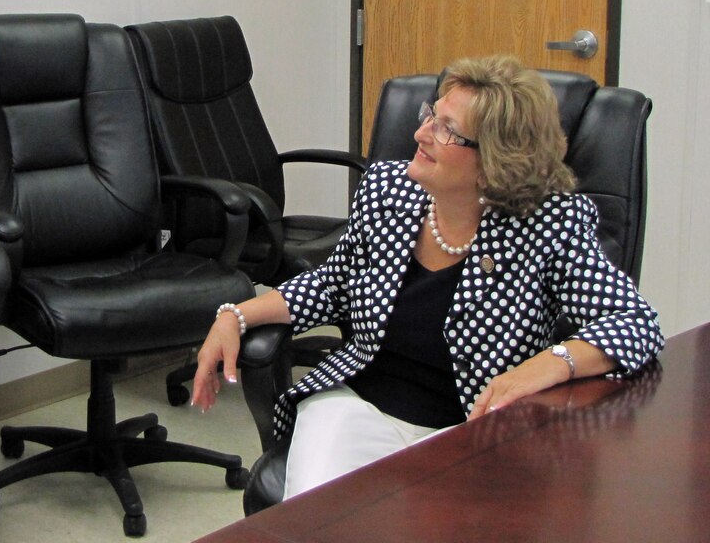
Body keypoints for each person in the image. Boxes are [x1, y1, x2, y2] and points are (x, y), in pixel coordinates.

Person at [191, 55, 663, 500]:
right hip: (357, 409)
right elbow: (334, 283)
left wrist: (551, 363)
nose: (421, 133)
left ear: (499, 159)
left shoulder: (547, 221)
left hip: (472, 430)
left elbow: (635, 324)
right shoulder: (388, 189)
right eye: (429, 115)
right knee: (320, 520)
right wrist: (237, 315)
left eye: (446, 130)